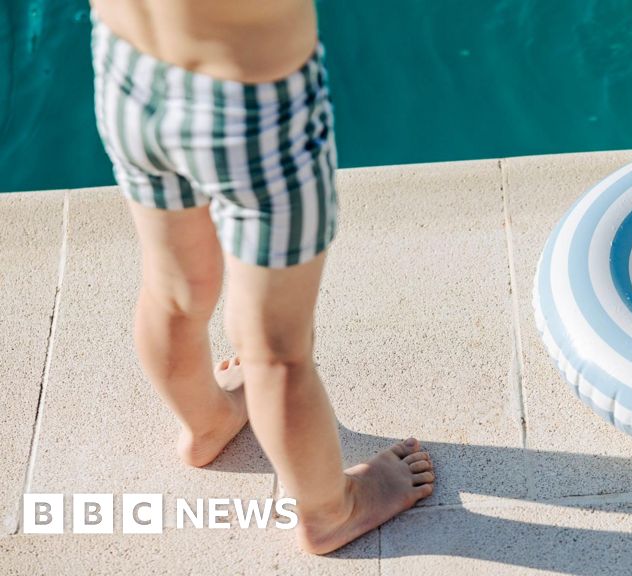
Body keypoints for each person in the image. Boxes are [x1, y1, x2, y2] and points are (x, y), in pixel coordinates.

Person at [89, 0, 435, 554]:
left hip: (130, 72)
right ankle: (330, 512)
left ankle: (206, 424)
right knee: (275, 351)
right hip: (251, 100)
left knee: (174, 293)